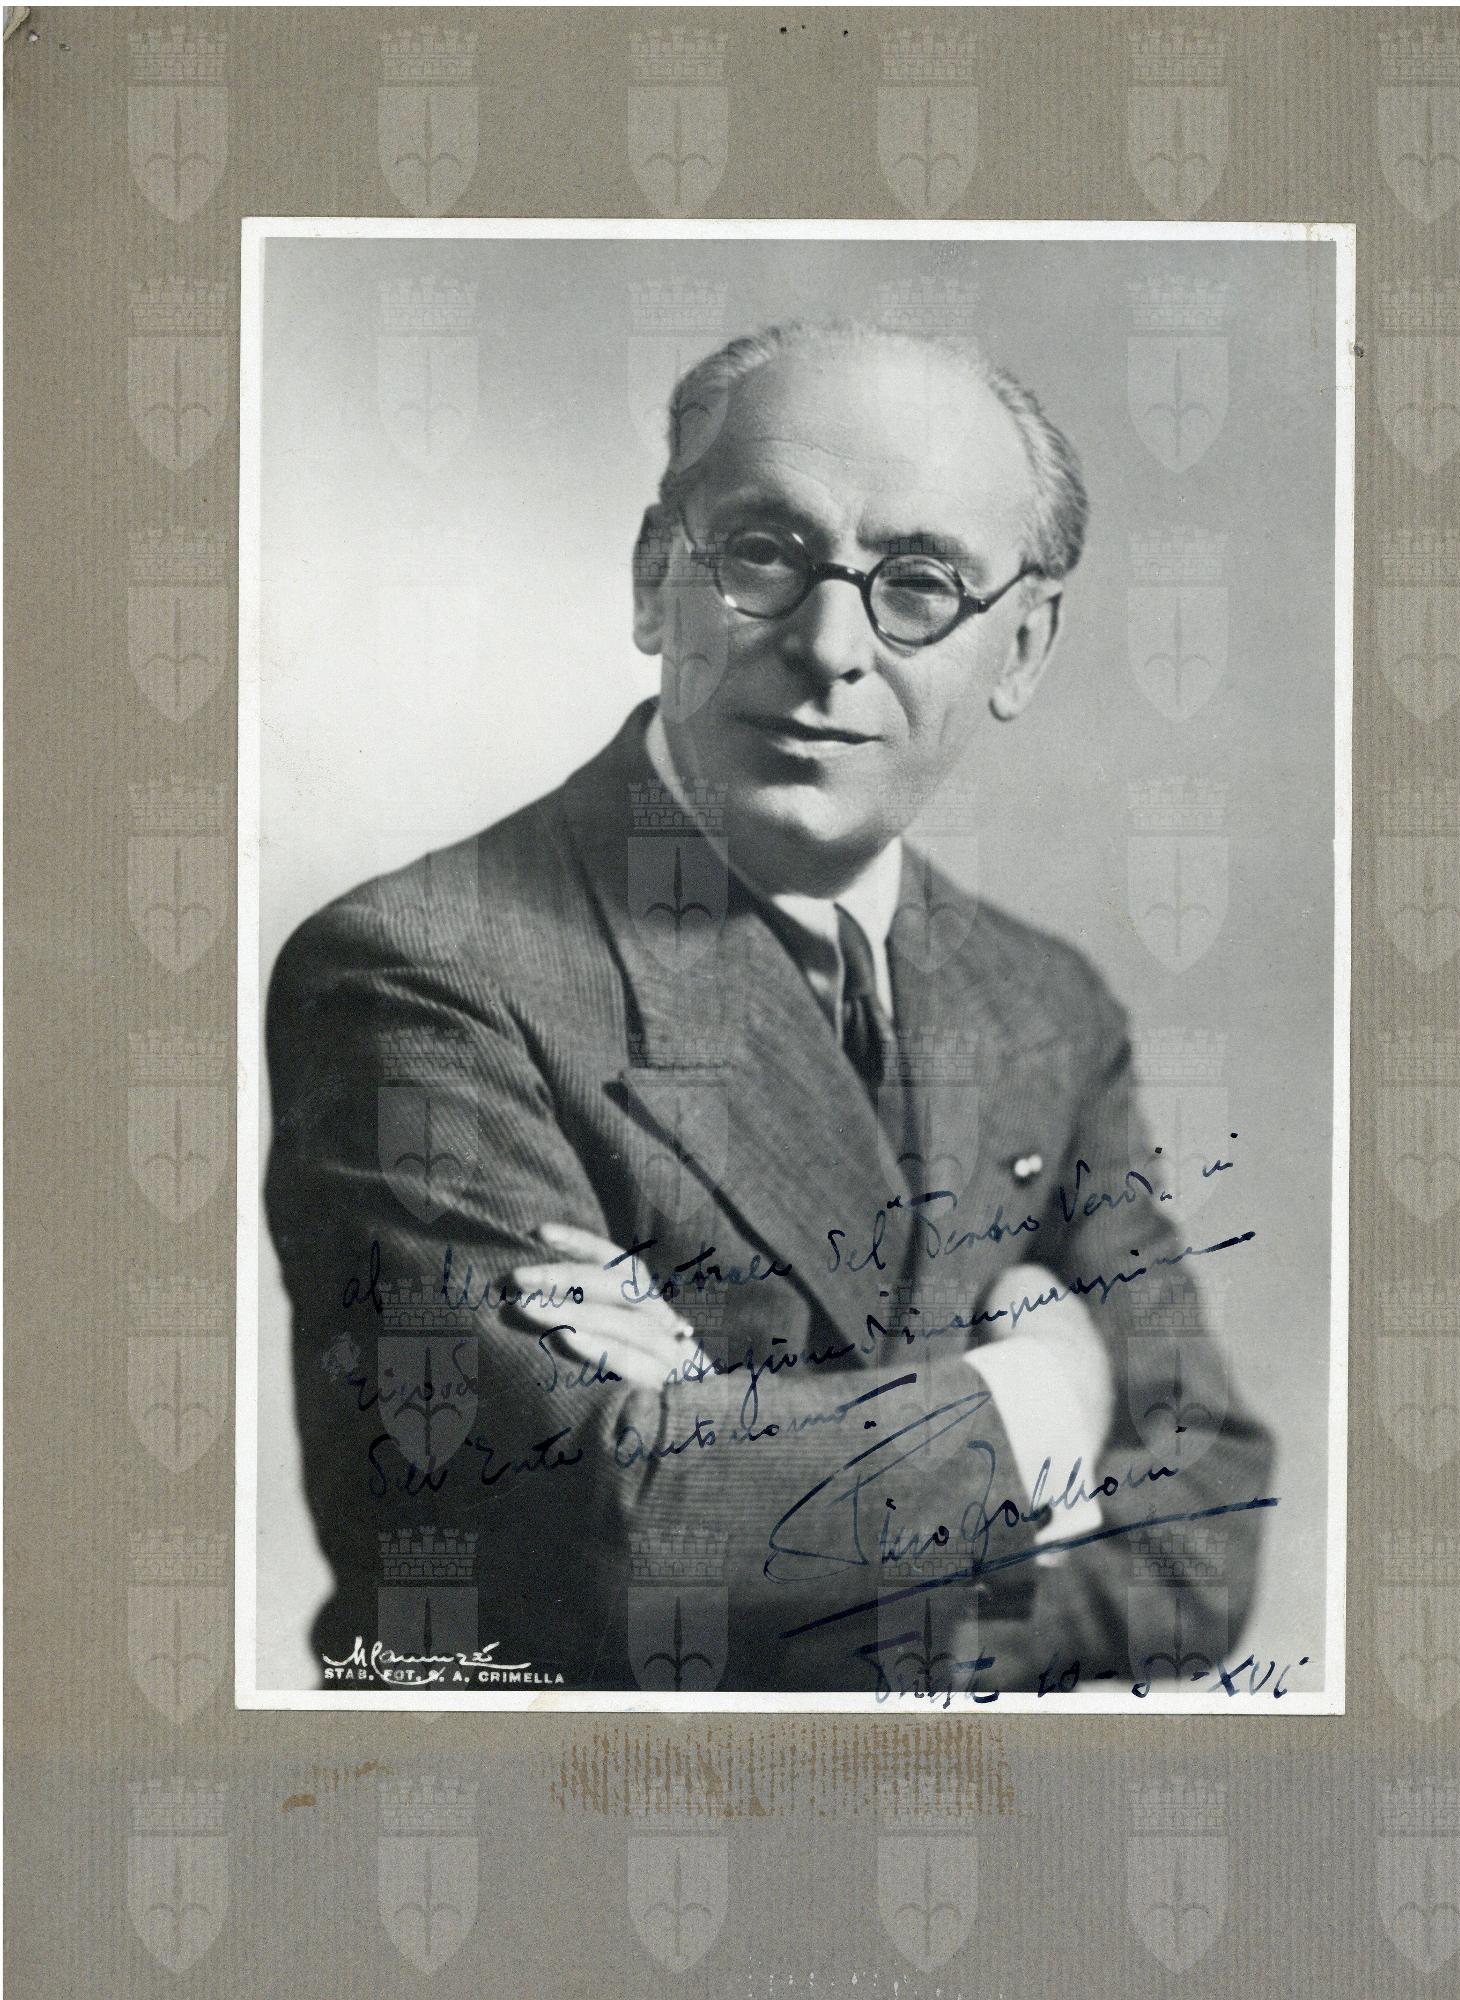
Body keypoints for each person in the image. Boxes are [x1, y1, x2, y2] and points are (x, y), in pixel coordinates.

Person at [264, 318, 1273, 1694]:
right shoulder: (421, 972)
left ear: (1024, 648)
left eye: (920, 584)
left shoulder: (1041, 1005)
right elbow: (609, 1532)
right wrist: (1039, 1407)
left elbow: (1206, 1536)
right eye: (761, 554)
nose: (828, 645)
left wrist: (731, 1452)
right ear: (652, 581)